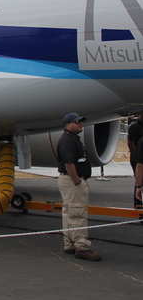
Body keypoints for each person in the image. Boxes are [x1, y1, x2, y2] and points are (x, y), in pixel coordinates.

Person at [56, 112, 101, 261]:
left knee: (69, 212)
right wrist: (77, 181)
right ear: (69, 124)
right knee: (77, 212)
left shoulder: (71, 139)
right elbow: (69, 163)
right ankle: (82, 247)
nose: (81, 124)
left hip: (69, 180)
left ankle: (69, 244)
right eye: (78, 122)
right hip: (72, 180)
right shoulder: (68, 140)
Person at [128, 112, 143, 208]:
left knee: (139, 180)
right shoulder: (134, 127)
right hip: (138, 157)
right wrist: (135, 154)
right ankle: (138, 204)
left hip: (138, 156)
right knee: (139, 180)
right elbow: (130, 143)